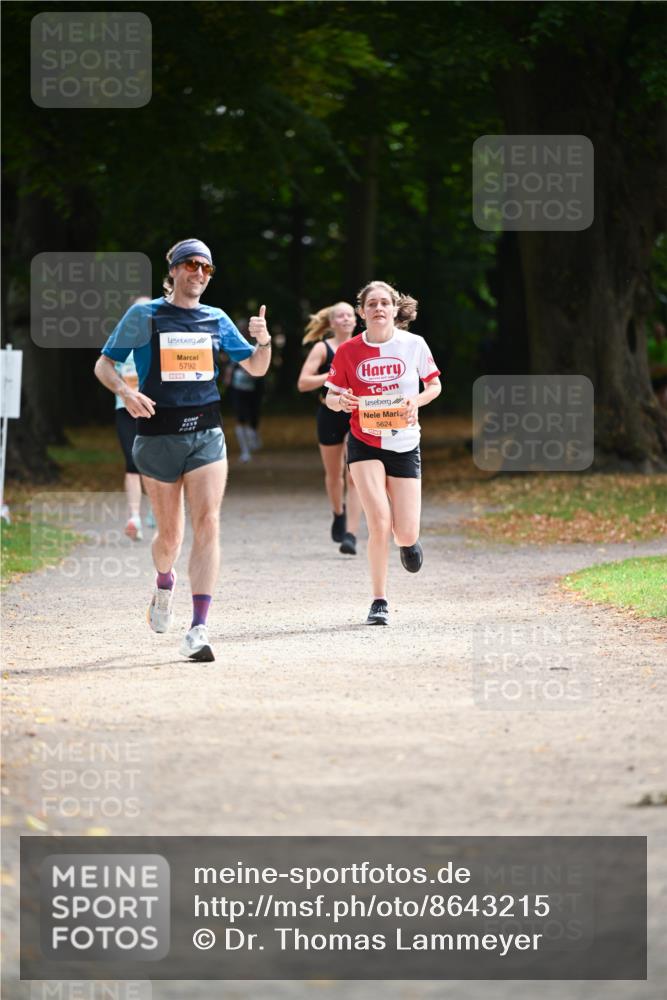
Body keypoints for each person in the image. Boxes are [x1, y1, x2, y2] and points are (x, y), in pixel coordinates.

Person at [94, 238, 272, 662]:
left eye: (206, 269)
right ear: (173, 270)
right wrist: (125, 391)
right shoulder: (145, 314)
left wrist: (263, 342)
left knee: (208, 522)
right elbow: (104, 364)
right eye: (191, 265)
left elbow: (256, 367)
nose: (198, 274)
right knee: (170, 536)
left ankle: (199, 628)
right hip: (157, 436)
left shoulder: (216, 318)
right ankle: (163, 582)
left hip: (207, 433)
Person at [324, 280, 441, 625]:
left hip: (404, 443)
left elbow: (434, 385)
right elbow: (331, 396)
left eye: (384, 303)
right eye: (371, 303)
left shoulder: (414, 345)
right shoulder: (348, 351)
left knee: (403, 531)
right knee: (378, 521)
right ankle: (379, 601)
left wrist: (415, 401)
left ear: (394, 309)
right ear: (361, 312)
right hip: (364, 441)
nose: (378, 308)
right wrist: (339, 401)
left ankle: (408, 542)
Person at [297, 302, 362, 555]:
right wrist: (332, 375)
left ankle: (351, 534)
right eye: (340, 316)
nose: (345, 319)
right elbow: (303, 383)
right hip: (329, 412)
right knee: (334, 474)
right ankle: (338, 513)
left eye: (349, 315)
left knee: (354, 475)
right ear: (331, 323)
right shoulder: (322, 348)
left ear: (356, 320)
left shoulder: (364, 346)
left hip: (356, 413)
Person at [113, 297, 154, 541]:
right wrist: (124, 390)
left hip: (154, 408)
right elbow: (107, 369)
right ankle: (134, 517)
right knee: (132, 461)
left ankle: (158, 511)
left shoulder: (160, 337)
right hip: (125, 409)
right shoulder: (120, 339)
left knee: (152, 462)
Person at [226, 358, 265, 462]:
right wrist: (228, 378)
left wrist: (252, 372)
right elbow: (228, 374)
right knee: (240, 420)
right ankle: (245, 452)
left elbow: (260, 373)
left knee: (253, 420)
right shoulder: (234, 358)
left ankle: (254, 437)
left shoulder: (254, 352)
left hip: (253, 393)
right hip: (238, 393)